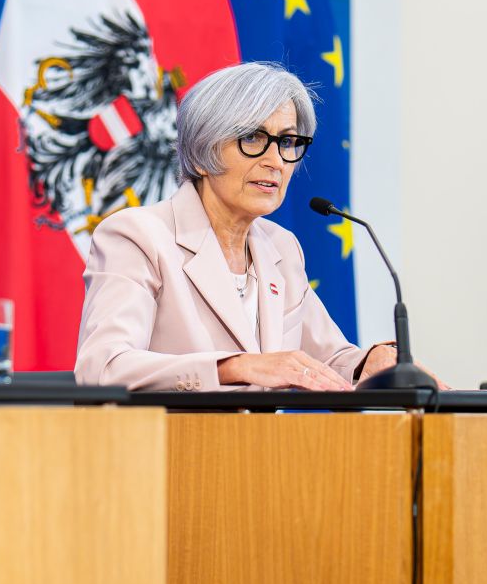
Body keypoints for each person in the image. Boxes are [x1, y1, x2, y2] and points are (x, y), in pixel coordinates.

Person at [76, 62, 402, 391]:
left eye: (287, 142)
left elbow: (326, 359)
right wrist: (235, 366)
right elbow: (103, 367)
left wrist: (369, 363)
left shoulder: (281, 248)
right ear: (202, 154)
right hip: (171, 441)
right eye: (252, 138)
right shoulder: (139, 237)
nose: (276, 160)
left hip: (260, 443)